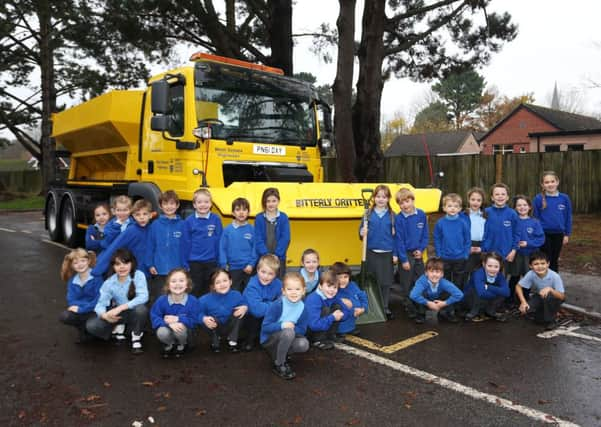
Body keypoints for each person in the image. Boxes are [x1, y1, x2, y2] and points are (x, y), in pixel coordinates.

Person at [86, 249, 149, 354]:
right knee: (91, 325)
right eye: (117, 264)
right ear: (113, 267)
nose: (122, 267)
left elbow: (143, 297)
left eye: (126, 263)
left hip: (134, 312)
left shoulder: (138, 275)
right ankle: (119, 328)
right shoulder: (109, 282)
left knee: (141, 309)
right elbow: (100, 304)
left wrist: (120, 308)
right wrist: (104, 315)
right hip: (119, 315)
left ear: (132, 263)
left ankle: (136, 337)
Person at [260, 272, 309, 380]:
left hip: (287, 336)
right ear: (283, 291)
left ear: (303, 291)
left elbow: (302, 329)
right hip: (270, 339)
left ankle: (281, 354)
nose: (294, 292)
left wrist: (292, 327)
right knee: (288, 332)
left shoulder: (303, 308)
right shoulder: (277, 305)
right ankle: (279, 364)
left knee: (303, 344)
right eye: (289, 289)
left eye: (297, 289)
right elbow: (265, 327)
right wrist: (282, 325)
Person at [359, 184, 397, 320]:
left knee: (385, 282)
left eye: (384, 197)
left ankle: (385, 307)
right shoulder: (367, 214)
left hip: (387, 252)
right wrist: (362, 232)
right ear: (374, 198)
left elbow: (397, 237)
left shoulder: (393, 216)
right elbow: (360, 232)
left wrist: (395, 254)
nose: (381, 199)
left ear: (388, 199)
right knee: (371, 280)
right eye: (378, 196)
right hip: (371, 252)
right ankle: (370, 306)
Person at [93, 199, 153, 278]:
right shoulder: (131, 230)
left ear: (150, 215)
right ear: (133, 216)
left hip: (149, 271)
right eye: (138, 214)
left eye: (145, 214)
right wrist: (97, 271)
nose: (141, 217)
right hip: (133, 272)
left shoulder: (153, 229)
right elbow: (114, 248)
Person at [181, 188, 223, 297]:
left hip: (211, 262)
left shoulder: (216, 219)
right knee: (196, 289)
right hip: (195, 263)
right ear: (194, 205)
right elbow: (185, 243)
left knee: (210, 290)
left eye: (206, 202)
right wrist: (185, 263)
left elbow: (220, 241)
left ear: (211, 204)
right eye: (199, 202)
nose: (203, 205)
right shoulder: (189, 221)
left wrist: (220, 261)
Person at [394, 187, 428, 318]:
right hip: (406, 254)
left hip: (418, 253)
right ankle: (409, 305)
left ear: (413, 200)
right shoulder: (399, 219)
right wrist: (404, 260)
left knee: (420, 280)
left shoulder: (421, 215)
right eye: (401, 203)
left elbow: (425, 235)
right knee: (406, 282)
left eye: (407, 201)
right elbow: (399, 240)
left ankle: (420, 305)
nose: (404, 205)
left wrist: (421, 249)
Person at [150, 268, 199, 358]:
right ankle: (171, 344)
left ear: (187, 284)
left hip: (186, 331)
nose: (177, 284)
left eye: (181, 280)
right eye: (173, 281)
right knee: (161, 332)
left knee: (180, 329)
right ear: (168, 285)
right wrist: (167, 323)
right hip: (168, 327)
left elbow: (195, 320)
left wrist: (178, 319)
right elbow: (154, 317)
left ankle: (182, 344)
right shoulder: (161, 300)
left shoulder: (193, 301)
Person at [58, 248, 103, 343]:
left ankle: (94, 331)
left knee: (92, 326)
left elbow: (99, 299)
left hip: (95, 310)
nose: (80, 264)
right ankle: (83, 329)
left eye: (83, 261)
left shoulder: (97, 277)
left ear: (89, 261)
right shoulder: (72, 281)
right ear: (72, 266)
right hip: (82, 310)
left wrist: (81, 308)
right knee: (64, 316)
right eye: (76, 263)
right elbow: (71, 299)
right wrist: (79, 308)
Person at [507, 195, 545, 305]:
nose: (522, 207)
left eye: (524, 205)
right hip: (516, 254)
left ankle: (524, 299)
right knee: (514, 276)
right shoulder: (512, 221)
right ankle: (510, 299)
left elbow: (541, 239)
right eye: (519, 205)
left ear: (529, 207)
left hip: (530, 255)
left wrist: (528, 243)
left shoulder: (535, 222)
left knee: (527, 277)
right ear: (515, 207)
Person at [147, 190, 184, 303]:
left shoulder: (183, 225)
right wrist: (150, 264)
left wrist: (185, 265)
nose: (169, 207)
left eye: (172, 203)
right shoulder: (155, 225)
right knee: (160, 299)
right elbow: (150, 246)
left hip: (177, 269)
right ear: (160, 206)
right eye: (165, 203)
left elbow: (186, 247)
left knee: (177, 299)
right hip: (159, 270)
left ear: (177, 205)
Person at [198, 269, 248, 353]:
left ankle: (232, 340)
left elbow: (244, 303)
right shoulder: (204, 299)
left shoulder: (236, 295)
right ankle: (215, 340)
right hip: (214, 326)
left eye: (225, 280)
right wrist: (203, 318)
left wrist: (245, 307)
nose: (222, 284)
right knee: (208, 319)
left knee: (239, 312)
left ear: (230, 282)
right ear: (213, 286)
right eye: (218, 282)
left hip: (230, 325)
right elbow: (196, 312)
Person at [533, 171, 572, 273]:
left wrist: (567, 234)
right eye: (546, 182)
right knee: (546, 259)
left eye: (552, 181)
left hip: (559, 234)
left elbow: (568, 217)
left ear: (557, 182)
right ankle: (543, 282)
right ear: (542, 184)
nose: (550, 184)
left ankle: (554, 283)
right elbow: (535, 218)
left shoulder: (564, 198)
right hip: (544, 234)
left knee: (554, 259)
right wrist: (537, 234)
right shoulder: (538, 198)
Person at [242, 254, 282, 352]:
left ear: (275, 275)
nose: (265, 276)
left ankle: (266, 338)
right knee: (254, 318)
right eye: (263, 272)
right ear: (257, 270)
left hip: (266, 314)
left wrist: (272, 305)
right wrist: (273, 304)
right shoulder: (252, 285)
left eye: (270, 274)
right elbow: (257, 310)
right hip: (249, 316)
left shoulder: (278, 284)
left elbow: (283, 302)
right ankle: (249, 339)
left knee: (277, 316)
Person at [516, 251, 565, 330]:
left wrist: (550, 289)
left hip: (555, 297)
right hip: (540, 296)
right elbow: (518, 286)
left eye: (543, 263)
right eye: (536, 264)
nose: (540, 266)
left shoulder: (555, 276)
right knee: (527, 310)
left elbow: (562, 296)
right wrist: (523, 302)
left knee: (548, 296)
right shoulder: (531, 274)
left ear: (548, 264)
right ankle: (543, 312)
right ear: (530, 266)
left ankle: (553, 319)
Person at [409, 257, 463, 324]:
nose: (434, 274)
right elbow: (413, 295)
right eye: (431, 271)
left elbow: (460, 294)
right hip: (426, 300)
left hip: (439, 301)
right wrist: (428, 303)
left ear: (442, 274)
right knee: (415, 294)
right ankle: (421, 313)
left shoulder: (443, 282)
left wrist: (444, 303)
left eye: (437, 272)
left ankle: (446, 312)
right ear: (426, 273)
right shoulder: (422, 281)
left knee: (450, 293)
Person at [434, 193, 470, 290]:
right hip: (445, 257)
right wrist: (439, 253)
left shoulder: (463, 223)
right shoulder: (440, 223)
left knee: (458, 282)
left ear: (459, 209)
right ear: (444, 208)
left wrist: (466, 254)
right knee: (445, 281)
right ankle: (446, 300)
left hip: (460, 257)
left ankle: (457, 302)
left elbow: (467, 240)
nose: (453, 208)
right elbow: (437, 239)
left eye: (455, 206)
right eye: (449, 206)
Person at [304, 271, 349, 350]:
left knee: (337, 306)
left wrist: (340, 316)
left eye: (335, 287)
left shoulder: (334, 296)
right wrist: (332, 317)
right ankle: (317, 340)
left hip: (319, 325)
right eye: (329, 286)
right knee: (326, 309)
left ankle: (330, 335)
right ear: (320, 286)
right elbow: (313, 325)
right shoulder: (314, 298)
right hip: (308, 330)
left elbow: (346, 310)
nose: (332, 290)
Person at [219, 197, 256, 292]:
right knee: (234, 292)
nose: (241, 212)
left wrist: (251, 264)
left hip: (248, 268)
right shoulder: (227, 230)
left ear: (248, 212)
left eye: (244, 209)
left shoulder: (252, 230)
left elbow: (255, 249)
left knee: (249, 292)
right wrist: (224, 264)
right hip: (233, 268)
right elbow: (222, 248)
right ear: (233, 213)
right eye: (238, 209)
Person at [481, 183, 519, 271]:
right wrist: (483, 248)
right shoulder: (486, 212)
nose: (500, 196)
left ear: (507, 197)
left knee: (502, 279)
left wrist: (513, 251)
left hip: (505, 253)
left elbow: (517, 234)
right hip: (488, 252)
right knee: (487, 277)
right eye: (497, 194)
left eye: (503, 194)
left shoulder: (512, 213)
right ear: (492, 198)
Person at [254, 187, 290, 278]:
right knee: (263, 280)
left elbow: (285, 238)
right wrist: (265, 255)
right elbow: (258, 238)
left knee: (278, 282)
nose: (271, 204)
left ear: (278, 201)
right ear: (264, 202)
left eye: (274, 201)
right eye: (268, 201)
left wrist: (277, 255)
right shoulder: (259, 218)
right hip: (263, 259)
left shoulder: (283, 217)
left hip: (279, 259)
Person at [463, 252, 509, 322]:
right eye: (489, 266)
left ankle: (490, 310)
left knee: (502, 293)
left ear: (500, 266)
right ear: (484, 264)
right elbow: (481, 293)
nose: (492, 269)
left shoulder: (499, 275)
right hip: (471, 299)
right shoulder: (478, 273)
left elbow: (507, 292)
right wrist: (497, 292)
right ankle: (474, 312)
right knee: (478, 291)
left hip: (486, 297)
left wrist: (489, 287)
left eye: (496, 266)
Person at [331, 262, 368, 336]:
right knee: (339, 305)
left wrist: (363, 308)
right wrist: (341, 301)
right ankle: (336, 331)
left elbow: (363, 297)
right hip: (336, 323)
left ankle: (349, 328)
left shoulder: (353, 285)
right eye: (340, 277)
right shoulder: (331, 288)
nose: (343, 280)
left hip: (352, 322)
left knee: (354, 302)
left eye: (345, 277)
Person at [461, 187, 487, 274]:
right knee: (466, 271)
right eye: (473, 199)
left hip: (481, 246)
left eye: (478, 200)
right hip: (468, 245)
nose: (475, 202)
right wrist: (466, 247)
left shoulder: (485, 216)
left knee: (480, 272)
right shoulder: (462, 215)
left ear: (482, 201)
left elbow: (488, 233)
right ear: (468, 200)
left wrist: (482, 248)